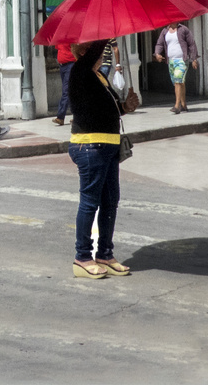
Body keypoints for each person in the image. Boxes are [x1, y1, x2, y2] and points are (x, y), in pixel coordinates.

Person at [67, 39, 138, 279]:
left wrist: (125, 106)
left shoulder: (99, 77)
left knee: (110, 201)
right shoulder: (80, 71)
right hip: (90, 146)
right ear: (86, 51)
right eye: (101, 51)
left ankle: (105, 254)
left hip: (108, 145)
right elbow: (93, 51)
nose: (104, 55)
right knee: (90, 202)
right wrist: (105, 34)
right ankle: (82, 257)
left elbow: (105, 108)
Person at [154, 21, 198, 114]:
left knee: (178, 81)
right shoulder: (165, 31)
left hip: (182, 60)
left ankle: (177, 106)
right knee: (179, 83)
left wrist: (194, 59)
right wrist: (157, 54)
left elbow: (191, 44)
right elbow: (159, 44)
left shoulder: (183, 29)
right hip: (171, 61)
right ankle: (184, 105)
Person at [52, 41, 76, 126]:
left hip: (70, 64)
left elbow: (75, 50)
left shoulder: (71, 38)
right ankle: (77, 116)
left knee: (66, 91)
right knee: (70, 91)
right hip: (62, 66)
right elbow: (59, 50)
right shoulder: (59, 38)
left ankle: (60, 117)